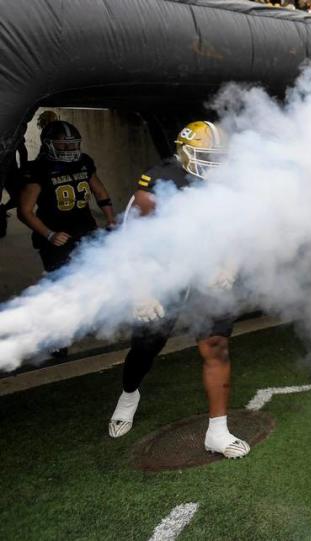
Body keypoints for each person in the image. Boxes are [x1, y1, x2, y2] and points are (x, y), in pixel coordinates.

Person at [107, 121, 250, 459]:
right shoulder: (158, 182)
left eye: (219, 157)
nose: (214, 165)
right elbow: (129, 242)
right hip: (162, 270)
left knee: (216, 346)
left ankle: (218, 431)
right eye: (206, 156)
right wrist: (141, 291)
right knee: (146, 347)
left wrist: (228, 268)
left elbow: (240, 230)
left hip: (206, 268)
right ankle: (129, 394)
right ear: (185, 153)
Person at [17, 120, 116, 272]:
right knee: (61, 279)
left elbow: (100, 192)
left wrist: (110, 219)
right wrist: (49, 234)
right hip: (56, 233)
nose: (69, 148)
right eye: (63, 144)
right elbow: (24, 211)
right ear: (48, 144)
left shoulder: (84, 161)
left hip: (85, 228)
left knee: (94, 273)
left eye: (73, 144)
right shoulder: (39, 168)